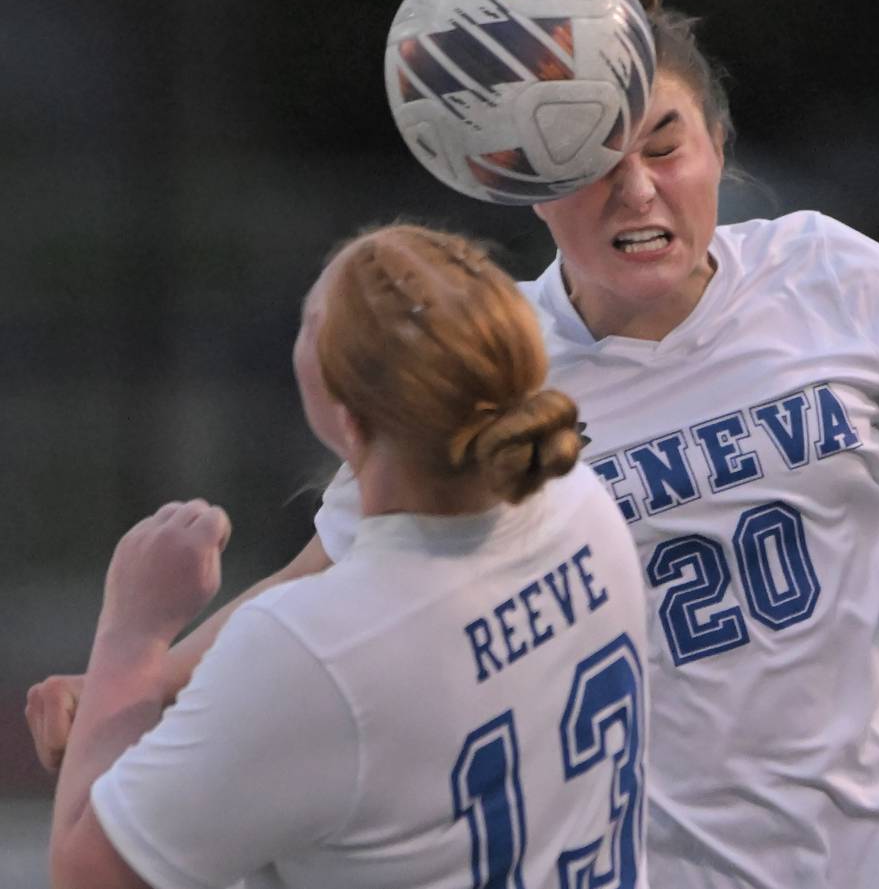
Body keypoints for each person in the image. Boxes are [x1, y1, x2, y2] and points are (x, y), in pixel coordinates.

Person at [30, 0, 879, 889]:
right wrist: (135, 688)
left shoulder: (825, 274)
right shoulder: (495, 353)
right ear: (521, 175)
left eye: (666, 144)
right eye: (591, 156)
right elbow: (324, 572)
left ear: (717, 147)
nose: (638, 187)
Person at [45, 225, 650, 889]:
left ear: (348, 419)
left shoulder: (310, 652)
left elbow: (89, 875)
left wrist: (134, 634)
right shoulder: (580, 499)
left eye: (313, 323)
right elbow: (332, 564)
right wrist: (133, 690)